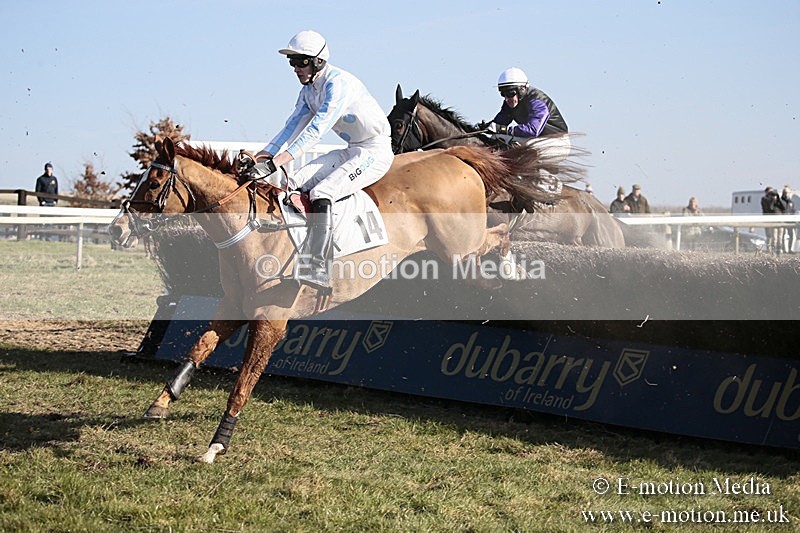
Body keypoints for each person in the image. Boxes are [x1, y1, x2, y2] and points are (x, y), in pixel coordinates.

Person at [246, 30, 393, 288]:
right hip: (352, 148)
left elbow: (316, 129)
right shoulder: (308, 91)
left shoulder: (338, 84)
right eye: (292, 62)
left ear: (318, 62)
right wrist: (263, 155)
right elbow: (290, 127)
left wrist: (276, 161)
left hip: (374, 152)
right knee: (293, 182)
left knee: (322, 192)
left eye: (301, 62)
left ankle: (317, 266)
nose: (295, 68)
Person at [479, 67, 570, 168]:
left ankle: (545, 180)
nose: (507, 98)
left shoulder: (537, 101)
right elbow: (499, 123)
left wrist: (502, 129)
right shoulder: (510, 102)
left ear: (522, 89)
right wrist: (484, 127)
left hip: (557, 143)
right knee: (495, 138)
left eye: (510, 93)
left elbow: (533, 130)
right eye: (503, 94)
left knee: (527, 149)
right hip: (536, 140)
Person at [761, 186, 785, 254]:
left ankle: (779, 250)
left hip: (779, 220)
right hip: (771, 221)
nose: (771, 194)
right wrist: (772, 201)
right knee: (772, 237)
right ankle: (771, 250)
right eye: (770, 192)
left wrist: (778, 199)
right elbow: (769, 209)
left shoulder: (777, 201)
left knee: (780, 237)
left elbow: (783, 208)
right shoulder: (765, 199)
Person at [780, 185, 796, 253]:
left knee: (792, 236)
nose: (787, 194)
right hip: (783, 221)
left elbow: (792, 210)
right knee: (783, 236)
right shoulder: (780, 201)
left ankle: (790, 249)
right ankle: (783, 249)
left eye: (788, 192)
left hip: (790, 222)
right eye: (786, 192)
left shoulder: (791, 202)